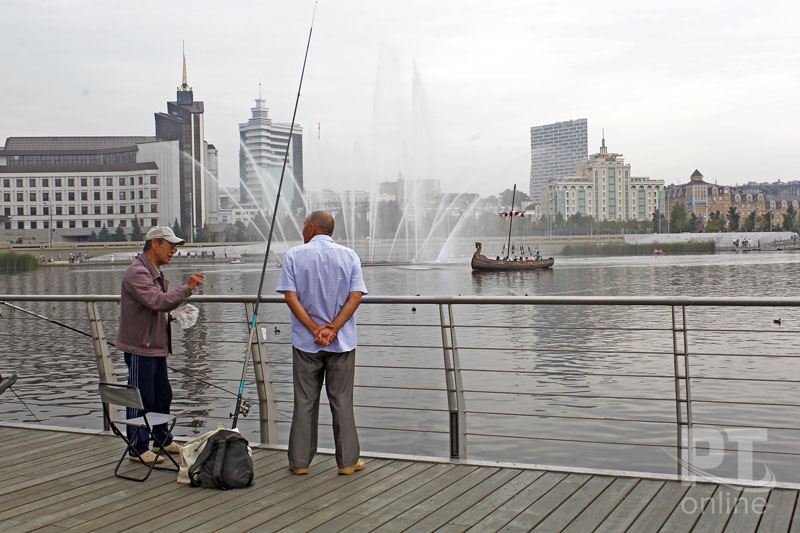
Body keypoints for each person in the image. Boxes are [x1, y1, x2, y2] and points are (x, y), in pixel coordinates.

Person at [276, 211, 368, 476]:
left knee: (304, 401)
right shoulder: (350, 256)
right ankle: (348, 463)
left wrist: (315, 329)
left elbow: (291, 298)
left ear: (313, 227)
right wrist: (334, 328)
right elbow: (356, 297)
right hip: (342, 343)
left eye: (304, 226)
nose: (302, 230)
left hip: (306, 343)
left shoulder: (294, 255)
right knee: (342, 402)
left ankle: (300, 462)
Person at [116, 226, 204, 464]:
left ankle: (162, 439)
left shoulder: (151, 271)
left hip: (154, 346)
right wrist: (188, 289)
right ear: (155, 243)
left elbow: (155, 306)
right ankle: (137, 447)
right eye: (171, 245)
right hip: (139, 348)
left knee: (162, 396)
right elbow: (156, 301)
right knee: (141, 399)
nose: (174, 251)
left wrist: (174, 313)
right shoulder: (138, 272)